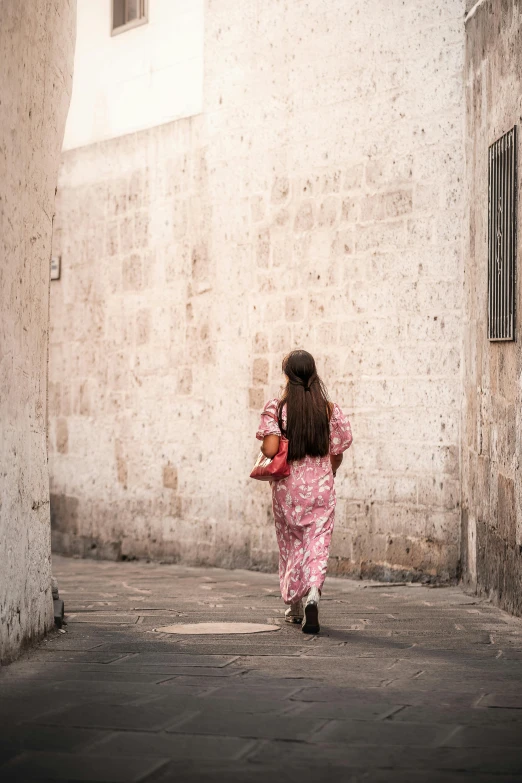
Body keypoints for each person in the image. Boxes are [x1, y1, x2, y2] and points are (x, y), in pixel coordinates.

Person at [256, 349, 352, 634]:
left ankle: (295, 606)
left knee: (291, 545)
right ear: (313, 374)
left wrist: (265, 444)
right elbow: (338, 450)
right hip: (321, 487)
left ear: (288, 376)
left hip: (288, 489)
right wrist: (328, 472)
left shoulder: (278, 408)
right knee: (317, 543)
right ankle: (312, 595)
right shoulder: (328, 409)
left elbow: (271, 449)